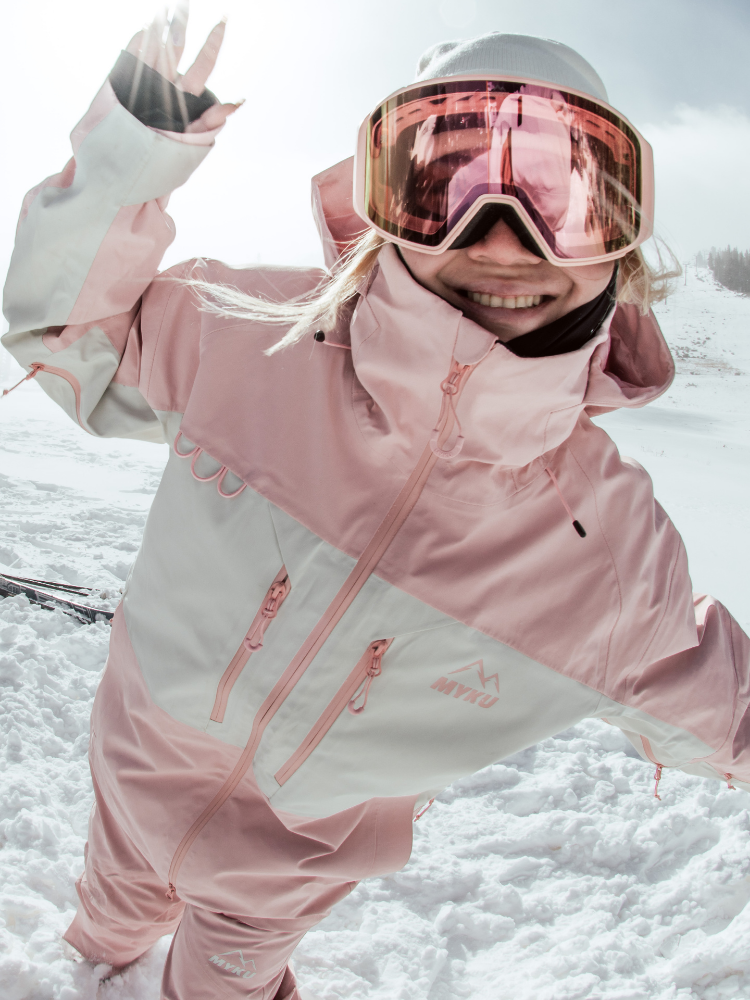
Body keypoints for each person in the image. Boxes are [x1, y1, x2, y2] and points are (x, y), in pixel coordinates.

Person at [3, 9, 749, 1000]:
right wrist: (129, 155)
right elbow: (68, 332)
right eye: (447, 182)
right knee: (106, 927)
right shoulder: (253, 338)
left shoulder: (602, 551)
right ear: (385, 202)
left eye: (556, 192)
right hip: (131, 777)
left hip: (281, 876)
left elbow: (717, 704)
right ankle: (97, 952)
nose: (500, 234)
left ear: (619, 242)